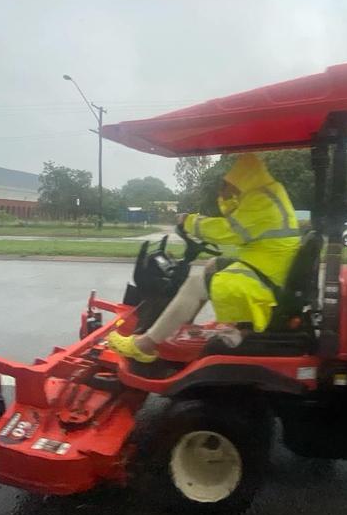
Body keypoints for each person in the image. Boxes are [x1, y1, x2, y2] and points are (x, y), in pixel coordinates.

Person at [107, 153, 301, 362]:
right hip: (270, 271)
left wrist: (188, 222)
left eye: (229, 185)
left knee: (196, 283)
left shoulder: (260, 200)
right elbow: (237, 219)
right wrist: (227, 198)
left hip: (266, 281)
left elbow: (229, 230)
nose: (226, 189)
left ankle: (145, 345)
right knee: (212, 265)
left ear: (242, 179)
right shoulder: (269, 193)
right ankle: (181, 325)